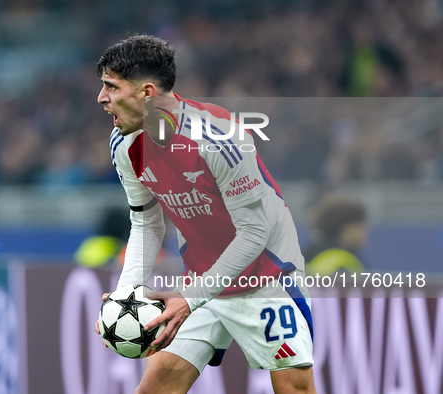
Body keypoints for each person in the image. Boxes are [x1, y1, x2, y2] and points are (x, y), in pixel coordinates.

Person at [95, 35, 316, 393]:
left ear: (147, 92)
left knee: (296, 388)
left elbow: (254, 234)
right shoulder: (124, 143)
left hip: (266, 276)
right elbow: (146, 222)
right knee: (156, 387)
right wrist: (126, 293)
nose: (101, 98)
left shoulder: (218, 137)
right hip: (203, 278)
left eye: (111, 87)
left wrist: (190, 298)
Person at [303, 192, 367, 276]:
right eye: (359, 226)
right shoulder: (342, 264)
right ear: (346, 229)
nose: (364, 232)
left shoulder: (310, 252)